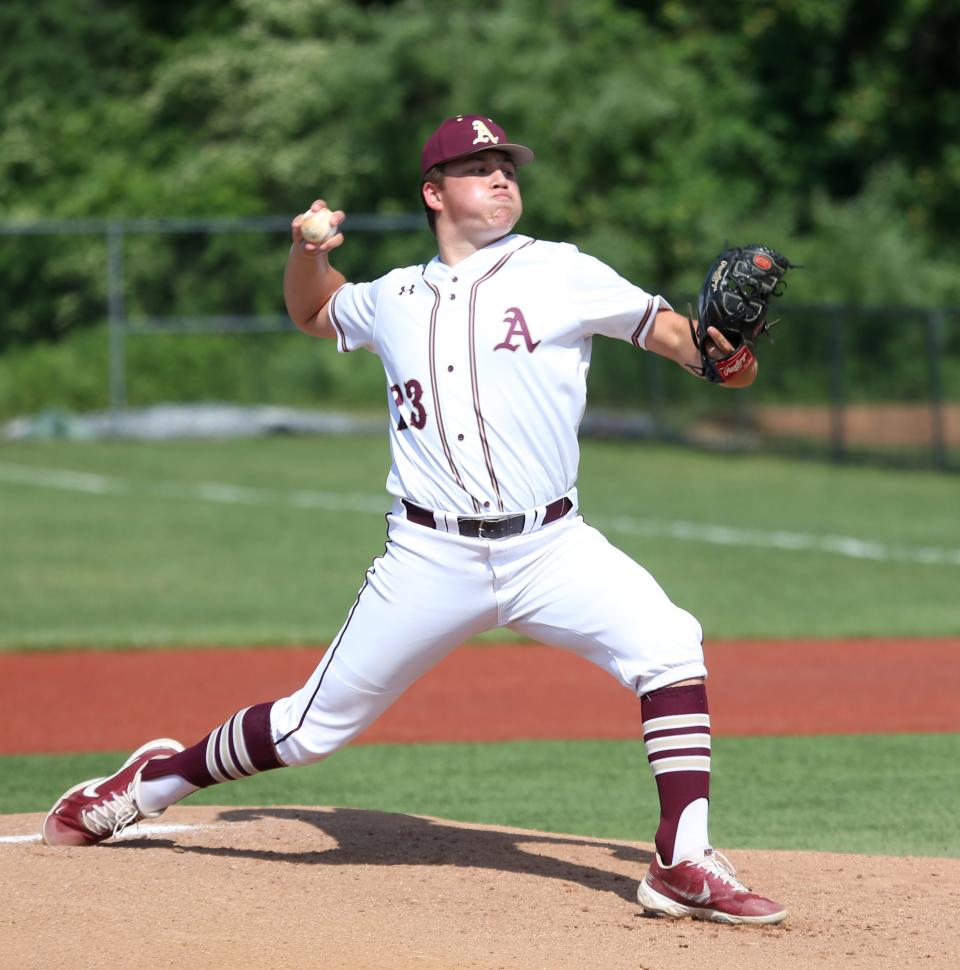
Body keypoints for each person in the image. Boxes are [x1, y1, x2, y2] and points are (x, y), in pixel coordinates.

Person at [42, 114, 786, 925]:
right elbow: (313, 312)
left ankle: (680, 859)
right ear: (435, 192)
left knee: (669, 641)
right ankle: (149, 783)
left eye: (507, 164)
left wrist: (720, 358)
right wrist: (309, 251)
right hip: (429, 556)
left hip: (552, 546)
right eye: (478, 166)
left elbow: (675, 335)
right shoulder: (394, 296)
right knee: (308, 731)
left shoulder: (562, 271)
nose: (501, 176)